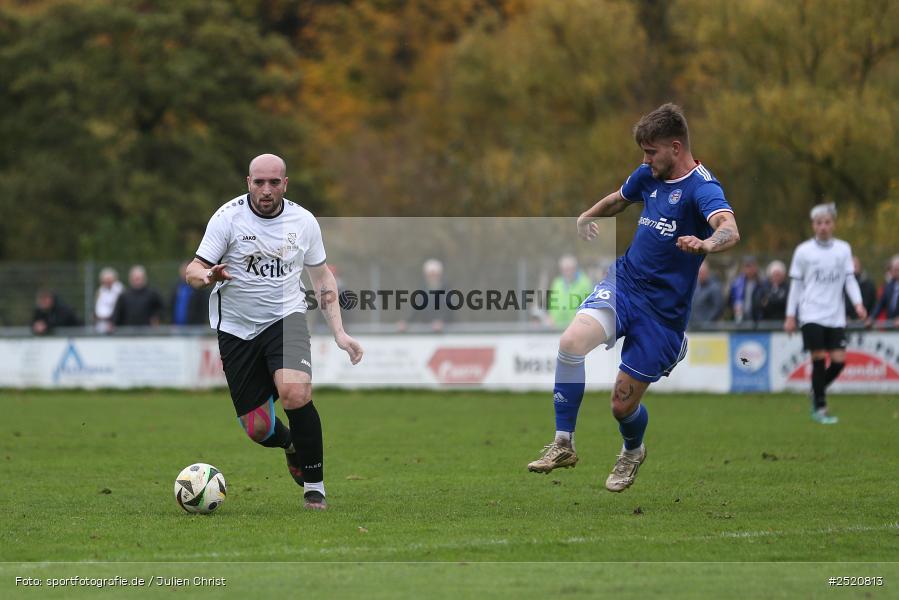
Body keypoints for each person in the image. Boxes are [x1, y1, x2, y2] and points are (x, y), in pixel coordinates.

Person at [526, 104, 740, 493]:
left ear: (675, 147)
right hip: (625, 285)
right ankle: (563, 443)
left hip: (663, 314)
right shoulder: (649, 175)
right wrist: (587, 215)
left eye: (651, 152)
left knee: (620, 406)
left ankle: (632, 450)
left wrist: (706, 242)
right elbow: (619, 199)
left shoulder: (702, 188)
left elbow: (729, 228)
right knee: (571, 342)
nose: (645, 160)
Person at [185, 153, 363, 511]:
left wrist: (340, 333)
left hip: (286, 317)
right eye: (259, 182)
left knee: (295, 393)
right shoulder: (227, 218)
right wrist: (207, 276)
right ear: (248, 182)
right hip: (235, 327)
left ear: (286, 183)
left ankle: (315, 487)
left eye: (274, 182)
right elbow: (193, 268)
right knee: (258, 428)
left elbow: (321, 276)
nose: (266, 190)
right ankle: (291, 445)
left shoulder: (304, 221)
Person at [784, 203, 867, 425]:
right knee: (819, 358)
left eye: (827, 222)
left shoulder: (843, 249)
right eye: (819, 223)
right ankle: (820, 408)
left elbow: (849, 279)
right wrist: (790, 315)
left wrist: (858, 304)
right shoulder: (803, 251)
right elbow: (796, 285)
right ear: (813, 225)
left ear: (833, 224)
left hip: (835, 315)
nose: (823, 227)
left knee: (839, 362)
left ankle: (816, 389)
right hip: (811, 313)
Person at [397, 258, 451, 332]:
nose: (432, 277)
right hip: (427, 330)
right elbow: (416, 308)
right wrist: (406, 322)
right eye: (430, 274)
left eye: (434, 274)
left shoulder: (446, 289)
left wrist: (441, 321)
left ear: (439, 274)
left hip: (446, 331)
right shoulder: (423, 290)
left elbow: (449, 310)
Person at [547, 255, 594, 328]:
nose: (566, 272)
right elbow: (552, 305)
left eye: (569, 269)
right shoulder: (557, 283)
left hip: (576, 328)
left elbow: (588, 307)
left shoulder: (585, 284)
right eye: (564, 269)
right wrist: (550, 318)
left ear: (575, 268)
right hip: (556, 328)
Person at [171, 261, 210, 326]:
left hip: (194, 327)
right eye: (182, 270)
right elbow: (171, 305)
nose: (183, 273)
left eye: (185, 270)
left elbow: (204, 307)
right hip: (177, 326)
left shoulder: (199, 287)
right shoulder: (177, 287)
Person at [728, 255, 763, 323]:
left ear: (756, 267)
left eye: (752, 266)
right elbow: (730, 301)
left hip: (757, 321)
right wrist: (734, 307)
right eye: (747, 266)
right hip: (740, 321)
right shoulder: (736, 284)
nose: (750, 269)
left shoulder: (761, 284)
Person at [866, 254, 899, 327]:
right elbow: (880, 304)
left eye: (897, 269)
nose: (895, 272)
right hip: (891, 326)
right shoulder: (889, 286)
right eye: (894, 269)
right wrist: (871, 318)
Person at [689, 261, 724, 327]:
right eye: (699, 273)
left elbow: (718, 307)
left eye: (702, 273)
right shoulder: (696, 286)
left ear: (707, 273)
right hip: (694, 326)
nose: (700, 275)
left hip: (708, 328)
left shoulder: (715, 287)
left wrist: (707, 322)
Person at [94, 267, 123, 333]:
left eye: (109, 279)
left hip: (114, 325)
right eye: (105, 280)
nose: (107, 281)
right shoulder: (100, 290)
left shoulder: (119, 290)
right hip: (101, 324)